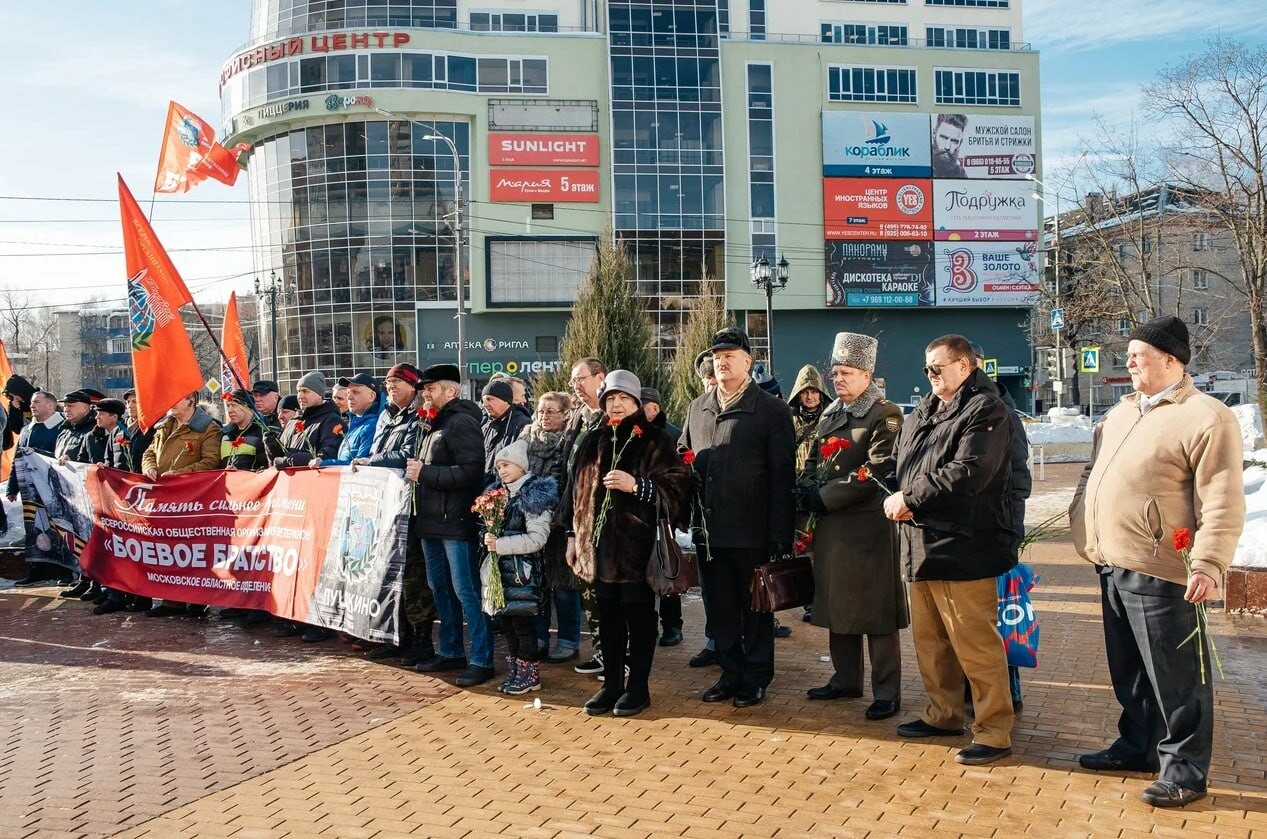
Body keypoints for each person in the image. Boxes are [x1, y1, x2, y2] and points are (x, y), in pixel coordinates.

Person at [1069, 316, 1245, 808]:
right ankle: (1137, 746)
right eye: (1127, 354)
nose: (1127, 362)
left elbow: (1223, 498)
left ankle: (1185, 772)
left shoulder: (1206, 416)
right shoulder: (1121, 412)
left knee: (1177, 677)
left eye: (1137, 354)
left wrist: (1209, 563)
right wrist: (1081, 519)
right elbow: (1093, 474)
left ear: (1171, 360)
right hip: (1112, 562)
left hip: (1165, 568)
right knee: (1130, 672)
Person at [884, 334, 1016, 766]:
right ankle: (942, 715)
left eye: (937, 367)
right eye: (926, 368)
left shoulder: (986, 409)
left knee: (975, 643)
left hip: (965, 545)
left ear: (966, 365)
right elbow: (904, 462)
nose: (930, 375)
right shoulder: (927, 408)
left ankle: (994, 730)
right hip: (921, 542)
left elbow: (969, 472)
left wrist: (910, 498)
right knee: (931, 641)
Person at [561, 370, 690, 717]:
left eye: (624, 399)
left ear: (636, 402)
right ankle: (612, 684)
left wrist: (638, 486)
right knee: (608, 619)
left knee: (640, 618)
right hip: (598, 550)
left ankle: (639, 688)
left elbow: (677, 489)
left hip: (637, 549)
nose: (617, 405)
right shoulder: (593, 439)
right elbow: (574, 492)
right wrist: (572, 535)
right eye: (611, 399)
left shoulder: (655, 440)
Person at [681, 328, 796, 708]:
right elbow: (683, 455)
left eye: (731, 354)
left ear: (748, 361)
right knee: (720, 610)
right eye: (717, 355)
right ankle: (730, 673)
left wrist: (780, 533)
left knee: (755, 610)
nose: (722, 361)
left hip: (752, 530)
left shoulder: (771, 410)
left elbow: (783, 476)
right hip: (709, 532)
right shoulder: (698, 407)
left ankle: (756, 677)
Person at [796, 333, 907, 721]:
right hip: (831, 529)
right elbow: (812, 459)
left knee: (875, 612)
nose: (837, 379)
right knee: (836, 604)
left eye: (846, 373)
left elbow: (877, 471)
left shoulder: (884, 413)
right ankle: (845, 679)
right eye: (835, 372)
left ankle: (887, 691)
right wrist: (806, 487)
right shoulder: (831, 413)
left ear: (867, 374)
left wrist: (824, 496)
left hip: (867, 529)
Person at [406, 364, 493, 687]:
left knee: (466, 592)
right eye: (423, 390)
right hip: (431, 523)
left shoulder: (461, 423)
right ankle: (452, 650)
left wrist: (425, 474)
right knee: (440, 590)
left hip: (455, 523)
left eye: (430, 389)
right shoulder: (432, 424)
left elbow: (471, 472)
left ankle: (482, 659)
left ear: (451, 391)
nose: (424, 394)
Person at [356, 362, 437, 667]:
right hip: (384, 508)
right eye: (388, 382)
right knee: (389, 575)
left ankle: (422, 640)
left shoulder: (418, 417)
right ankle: (396, 636)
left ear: (413, 387)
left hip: (409, 508)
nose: (391, 387)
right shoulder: (384, 417)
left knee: (414, 577)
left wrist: (371, 461)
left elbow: (406, 456)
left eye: (398, 382)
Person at [969, 340, 1033, 711]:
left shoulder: (1003, 411)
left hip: (996, 530)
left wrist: (1011, 529)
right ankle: (971, 688)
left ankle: (1009, 687)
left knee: (999, 613)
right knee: (972, 618)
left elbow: (1019, 477)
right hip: (964, 534)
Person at [482, 439, 558, 695]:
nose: (502, 471)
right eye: (499, 466)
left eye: (506, 465)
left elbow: (537, 538)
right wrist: (486, 536)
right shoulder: (497, 495)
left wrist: (500, 545)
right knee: (509, 626)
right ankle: (516, 669)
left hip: (523, 575)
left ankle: (529, 673)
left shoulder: (532, 497)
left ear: (521, 466)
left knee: (524, 626)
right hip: (503, 575)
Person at [141, 393, 223, 618]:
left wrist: (178, 475)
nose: (169, 402)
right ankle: (172, 601)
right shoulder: (164, 425)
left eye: (176, 398)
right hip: (165, 499)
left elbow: (210, 461)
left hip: (193, 499)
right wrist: (149, 467)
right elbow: (149, 451)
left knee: (194, 550)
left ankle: (198, 600)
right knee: (169, 548)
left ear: (191, 401)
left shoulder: (208, 429)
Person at [554, 357, 609, 676]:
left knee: (608, 592)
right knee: (589, 591)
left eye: (581, 378)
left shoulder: (610, 415)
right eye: (573, 379)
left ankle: (620, 655)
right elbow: (568, 467)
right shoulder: (578, 417)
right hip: (577, 518)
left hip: (603, 518)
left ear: (600, 377)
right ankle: (602, 650)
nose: (575, 384)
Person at [519, 390, 582, 663]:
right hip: (528, 522)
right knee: (537, 585)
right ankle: (540, 637)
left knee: (564, 587)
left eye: (551, 411)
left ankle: (568, 640)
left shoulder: (569, 441)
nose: (544, 416)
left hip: (558, 524)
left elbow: (565, 483)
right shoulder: (525, 437)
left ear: (565, 414)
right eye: (541, 411)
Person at [640, 386, 685, 647]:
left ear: (654, 408)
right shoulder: (632, 433)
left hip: (664, 515)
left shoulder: (672, 435)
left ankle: (672, 625)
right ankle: (649, 626)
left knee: (666, 568)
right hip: (638, 516)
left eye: (642, 406)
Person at [8, 391, 67, 586]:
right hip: (30, 490)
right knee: (33, 529)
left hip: (55, 490)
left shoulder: (62, 427)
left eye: (37, 402)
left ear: (50, 406)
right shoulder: (27, 429)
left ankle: (65, 571)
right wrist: (12, 486)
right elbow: (18, 458)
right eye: (32, 403)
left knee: (58, 528)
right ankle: (36, 569)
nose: (32, 406)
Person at [788, 364, 827, 623]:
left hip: (821, 493)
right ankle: (809, 602)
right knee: (801, 552)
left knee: (822, 552)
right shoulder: (788, 420)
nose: (810, 397)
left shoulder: (831, 419)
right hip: (795, 495)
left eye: (814, 391)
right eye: (805, 392)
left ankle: (823, 599)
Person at [271, 372, 344, 471]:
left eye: (305, 391)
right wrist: (272, 445)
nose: (300, 396)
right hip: (290, 483)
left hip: (314, 482)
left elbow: (326, 456)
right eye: (298, 391)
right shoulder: (293, 421)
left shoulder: (331, 420)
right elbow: (276, 460)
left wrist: (290, 460)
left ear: (319, 394)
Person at [317, 373, 384, 469]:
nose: (349, 397)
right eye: (348, 392)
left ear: (371, 396)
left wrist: (324, 463)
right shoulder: (355, 422)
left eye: (355, 392)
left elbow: (358, 465)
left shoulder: (374, 425)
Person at [481, 379, 530, 485]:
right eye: (483, 400)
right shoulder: (486, 426)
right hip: (487, 494)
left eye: (490, 399)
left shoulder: (522, 425)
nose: (485, 405)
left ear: (506, 400)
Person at [219, 391, 271, 472]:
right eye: (228, 406)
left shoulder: (264, 432)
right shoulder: (225, 434)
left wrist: (242, 473)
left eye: (234, 405)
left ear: (248, 407)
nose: (230, 410)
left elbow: (268, 468)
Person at [932, 113, 968, 178]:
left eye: (954, 141)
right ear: (934, 134)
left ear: (960, 143)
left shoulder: (960, 174)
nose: (947, 147)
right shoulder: (920, 167)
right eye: (943, 138)